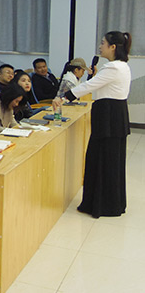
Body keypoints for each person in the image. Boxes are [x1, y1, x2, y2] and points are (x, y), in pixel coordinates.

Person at [55, 31, 131, 218]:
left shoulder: (113, 67)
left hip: (108, 115)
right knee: (111, 159)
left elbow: (88, 86)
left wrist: (63, 97)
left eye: (103, 43)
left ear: (113, 47)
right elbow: (96, 84)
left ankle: (101, 204)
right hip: (115, 113)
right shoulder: (122, 66)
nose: (100, 46)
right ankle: (112, 202)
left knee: (102, 158)